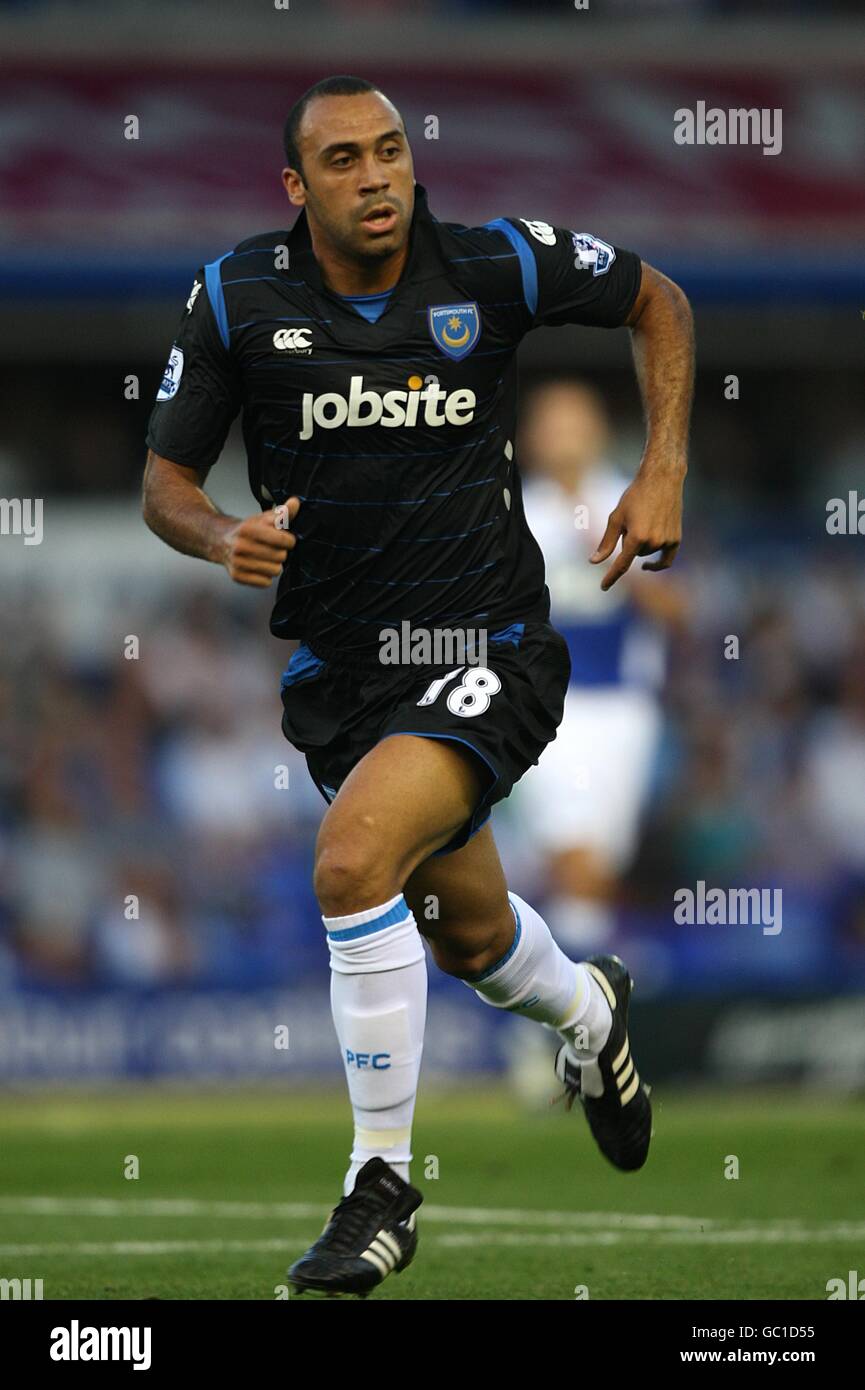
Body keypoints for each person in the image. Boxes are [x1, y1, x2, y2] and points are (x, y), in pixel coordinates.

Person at [142, 75, 693, 1297]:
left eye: (389, 150)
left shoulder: (494, 267)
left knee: (348, 864)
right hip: (341, 675)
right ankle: (589, 1015)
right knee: (473, 937)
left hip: (485, 650)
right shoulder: (236, 296)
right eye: (343, 159)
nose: (377, 175)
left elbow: (658, 299)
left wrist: (661, 470)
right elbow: (165, 485)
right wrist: (215, 533)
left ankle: (379, 1185)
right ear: (297, 187)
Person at [512, 379, 689, 952]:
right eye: (553, 422)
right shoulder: (516, 513)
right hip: (548, 703)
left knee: (599, 864)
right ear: (533, 438)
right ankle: (572, 1002)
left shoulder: (638, 500)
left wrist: (620, 556)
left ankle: (579, 992)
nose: (565, 436)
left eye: (576, 421)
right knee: (570, 850)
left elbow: (679, 610)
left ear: (600, 432)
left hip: (622, 705)